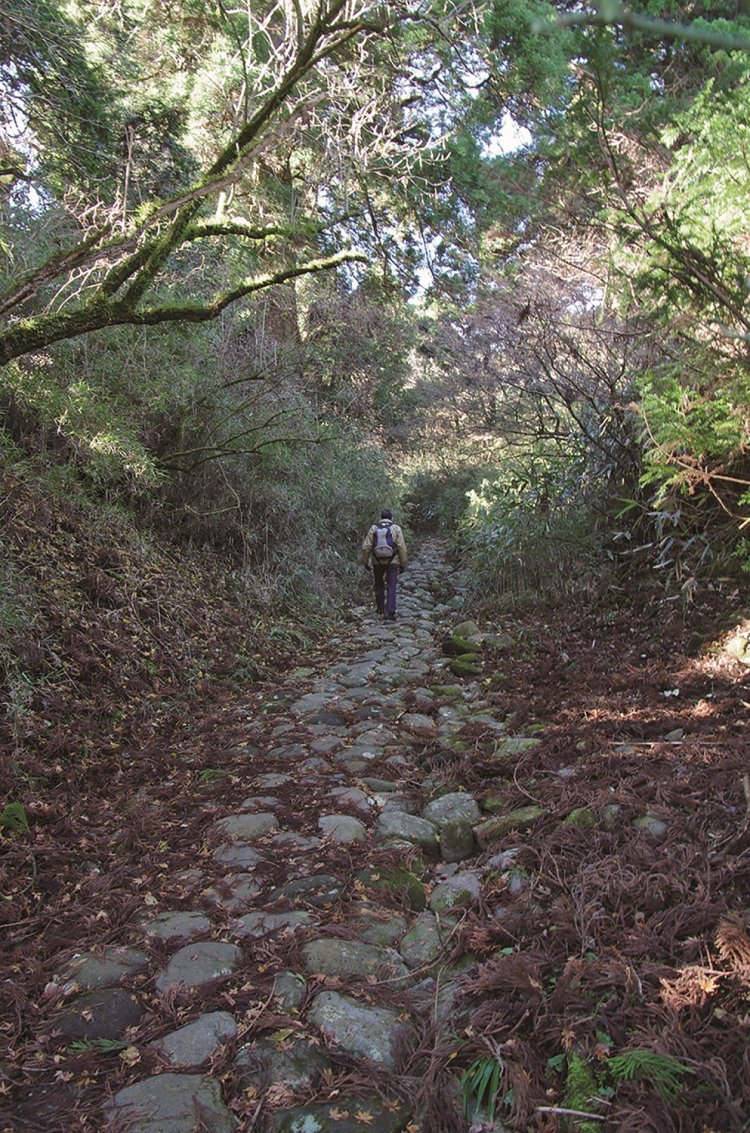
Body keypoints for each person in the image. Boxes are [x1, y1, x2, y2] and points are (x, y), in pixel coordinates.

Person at [361, 509, 407, 620]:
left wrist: (365, 562)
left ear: (381, 517)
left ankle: (380, 608)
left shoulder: (374, 528)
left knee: (379, 584)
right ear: (392, 518)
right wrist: (403, 563)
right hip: (393, 561)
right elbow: (401, 547)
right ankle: (390, 612)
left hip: (377, 561)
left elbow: (366, 547)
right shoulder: (396, 528)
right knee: (391, 586)